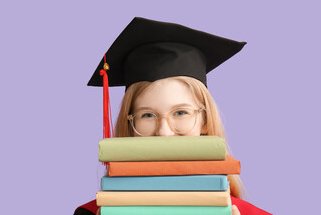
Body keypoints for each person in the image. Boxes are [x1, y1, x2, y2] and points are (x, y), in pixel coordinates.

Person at [74, 17, 271, 215]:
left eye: (180, 112)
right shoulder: (95, 213)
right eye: (148, 115)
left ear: (205, 121)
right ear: (129, 122)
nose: (164, 132)